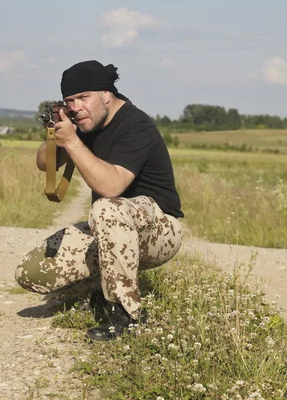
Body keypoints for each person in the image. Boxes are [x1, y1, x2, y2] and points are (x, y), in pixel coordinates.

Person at [15, 60, 183, 341]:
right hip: (111, 227)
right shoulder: (84, 125)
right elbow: (45, 164)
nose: (77, 106)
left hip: (159, 230)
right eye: (70, 100)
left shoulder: (136, 125)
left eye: (84, 97)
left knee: (105, 208)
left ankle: (126, 314)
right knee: (32, 272)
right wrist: (58, 135)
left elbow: (111, 186)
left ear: (107, 94)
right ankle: (100, 286)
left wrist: (73, 142)